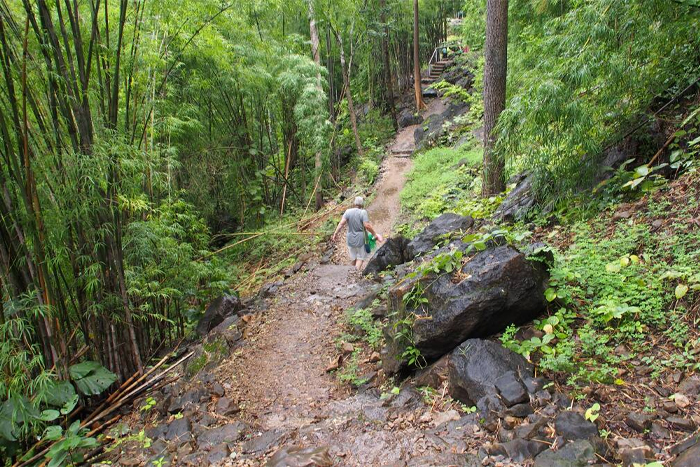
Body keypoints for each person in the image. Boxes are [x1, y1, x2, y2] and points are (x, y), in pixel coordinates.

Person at [331, 196, 384, 271]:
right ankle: (354, 274)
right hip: (360, 239)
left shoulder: (348, 211)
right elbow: (367, 226)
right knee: (360, 258)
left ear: (354, 203)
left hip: (350, 239)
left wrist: (335, 234)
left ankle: (349, 273)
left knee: (354, 258)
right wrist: (374, 234)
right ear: (362, 204)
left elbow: (341, 223)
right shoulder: (363, 212)